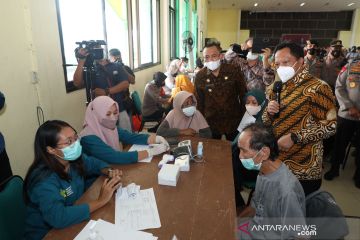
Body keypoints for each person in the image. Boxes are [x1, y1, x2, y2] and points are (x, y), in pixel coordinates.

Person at [23, 120, 122, 240]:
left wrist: (109, 171)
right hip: (47, 234)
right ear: (51, 150)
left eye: (75, 138)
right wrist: (100, 201)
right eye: (69, 141)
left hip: (74, 221)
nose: (76, 143)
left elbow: (93, 163)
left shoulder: (72, 160)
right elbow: (58, 217)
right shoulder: (44, 181)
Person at [263, 42, 337, 196]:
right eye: (277, 64)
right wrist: (269, 112)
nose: (281, 67)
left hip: (303, 167)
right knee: (277, 210)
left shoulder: (318, 88)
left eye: (286, 62)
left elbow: (330, 126)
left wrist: (295, 137)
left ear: (301, 61)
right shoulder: (275, 87)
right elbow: (265, 121)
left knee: (296, 215)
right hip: (276, 162)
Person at [237, 123, 306, 239]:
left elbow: (299, 236)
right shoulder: (263, 172)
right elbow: (255, 207)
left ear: (264, 153)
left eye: (244, 151)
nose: (240, 156)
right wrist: (235, 223)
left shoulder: (287, 191)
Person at [80, 96, 169, 164]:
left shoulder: (108, 126)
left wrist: (156, 138)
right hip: (96, 180)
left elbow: (130, 137)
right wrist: (151, 151)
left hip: (112, 169)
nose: (113, 118)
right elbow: (115, 157)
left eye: (115, 113)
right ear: (96, 115)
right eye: (107, 114)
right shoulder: (88, 138)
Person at [195, 40, 247, 141]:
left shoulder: (233, 70)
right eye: (207, 57)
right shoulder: (200, 76)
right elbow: (199, 102)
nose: (210, 60)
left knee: (235, 149)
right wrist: (201, 124)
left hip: (233, 120)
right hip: (211, 121)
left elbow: (243, 94)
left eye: (214, 56)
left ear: (221, 56)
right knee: (212, 150)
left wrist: (243, 119)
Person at [73, 47, 134, 132]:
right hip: (100, 113)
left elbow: (125, 84)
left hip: (119, 108)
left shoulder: (116, 66)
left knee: (127, 136)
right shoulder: (90, 70)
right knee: (105, 138)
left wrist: (106, 91)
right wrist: (81, 61)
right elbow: (77, 83)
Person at [324, 57, 360, 188]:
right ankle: (334, 169)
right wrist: (349, 106)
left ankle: (358, 174)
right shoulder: (351, 66)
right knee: (340, 143)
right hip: (347, 113)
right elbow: (339, 87)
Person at [231, 90, 267, 208]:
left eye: (254, 102)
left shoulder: (265, 124)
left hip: (254, 166)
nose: (250, 106)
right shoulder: (248, 116)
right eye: (248, 102)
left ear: (262, 104)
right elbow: (238, 136)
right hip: (243, 160)